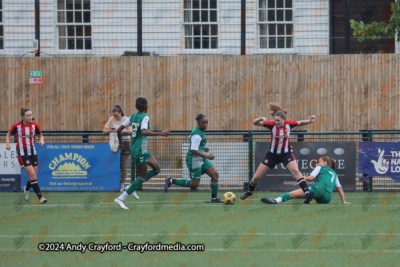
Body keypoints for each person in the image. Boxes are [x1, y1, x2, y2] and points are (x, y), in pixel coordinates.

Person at [240, 102, 317, 204]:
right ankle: (250, 191)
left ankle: (307, 193)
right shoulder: (272, 125)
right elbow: (255, 122)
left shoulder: (289, 124)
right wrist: (260, 118)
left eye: (278, 120)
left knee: (296, 171)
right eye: (275, 120)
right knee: (257, 176)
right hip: (272, 155)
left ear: (284, 120)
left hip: (286, 154)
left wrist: (310, 121)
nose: (276, 122)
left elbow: (300, 122)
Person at [114, 97, 170, 209]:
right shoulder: (145, 117)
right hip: (139, 150)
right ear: (146, 106)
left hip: (140, 148)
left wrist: (120, 143)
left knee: (157, 169)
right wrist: (160, 133)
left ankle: (131, 186)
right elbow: (144, 131)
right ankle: (121, 198)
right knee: (142, 177)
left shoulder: (133, 116)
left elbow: (119, 130)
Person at [164, 114, 223, 203]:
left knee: (215, 175)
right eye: (203, 123)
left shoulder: (200, 131)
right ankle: (171, 180)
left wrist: (203, 148)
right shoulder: (196, 134)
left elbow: (196, 145)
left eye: (207, 122)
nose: (206, 125)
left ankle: (214, 198)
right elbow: (194, 150)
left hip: (201, 158)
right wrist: (207, 156)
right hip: (194, 160)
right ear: (198, 123)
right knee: (194, 184)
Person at [261, 156, 351, 205]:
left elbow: (311, 178)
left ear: (325, 163)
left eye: (319, 161)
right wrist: (343, 201)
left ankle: (275, 201)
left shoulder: (320, 167)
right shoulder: (335, 174)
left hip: (318, 189)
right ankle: (309, 197)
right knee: (306, 195)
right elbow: (339, 188)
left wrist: (303, 178)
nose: (317, 163)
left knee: (292, 194)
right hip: (327, 198)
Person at [5, 108, 47, 204]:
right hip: (22, 153)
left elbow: (40, 135)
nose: (30, 117)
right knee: (32, 176)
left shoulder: (35, 125)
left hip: (33, 152)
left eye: (31, 115)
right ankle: (40, 197)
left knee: (33, 177)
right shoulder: (17, 126)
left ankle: (26, 188)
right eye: (28, 115)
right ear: (23, 117)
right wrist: (7, 144)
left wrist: (41, 140)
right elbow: (8, 134)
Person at [103, 105, 133, 193]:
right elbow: (104, 130)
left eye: (117, 116)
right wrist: (112, 131)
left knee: (123, 166)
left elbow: (130, 130)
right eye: (114, 116)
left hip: (124, 143)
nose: (115, 118)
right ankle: (113, 184)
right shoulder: (111, 119)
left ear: (121, 113)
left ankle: (122, 184)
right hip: (114, 144)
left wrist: (119, 130)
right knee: (115, 165)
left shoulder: (126, 119)